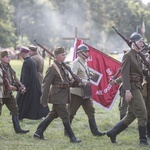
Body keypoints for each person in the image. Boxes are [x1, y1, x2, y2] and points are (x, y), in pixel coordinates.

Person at [106, 32, 149, 146]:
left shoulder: (138, 55)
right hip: (132, 88)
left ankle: (112, 132)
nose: (142, 43)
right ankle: (143, 140)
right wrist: (127, 91)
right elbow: (125, 74)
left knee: (131, 115)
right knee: (143, 113)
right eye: (140, 41)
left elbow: (137, 73)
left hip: (137, 86)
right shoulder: (128, 55)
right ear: (133, 43)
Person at [33, 47, 81, 143]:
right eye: (62, 55)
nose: (64, 56)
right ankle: (72, 137)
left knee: (52, 115)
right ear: (57, 56)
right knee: (65, 115)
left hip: (63, 95)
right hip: (57, 96)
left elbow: (65, 79)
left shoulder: (62, 66)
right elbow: (46, 84)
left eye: (64, 54)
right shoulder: (52, 68)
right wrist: (44, 98)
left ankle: (38, 132)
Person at [68, 44, 105, 137]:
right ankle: (67, 130)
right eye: (85, 52)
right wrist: (84, 81)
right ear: (79, 53)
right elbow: (71, 77)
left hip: (86, 92)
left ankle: (95, 131)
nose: (87, 53)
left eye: (87, 52)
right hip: (77, 92)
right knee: (71, 112)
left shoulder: (84, 62)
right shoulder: (76, 63)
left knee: (91, 111)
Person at [16, 46, 49, 120]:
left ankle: (18, 115)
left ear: (23, 53)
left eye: (21, 53)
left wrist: (23, 86)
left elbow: (25, 76)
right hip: (35, 82)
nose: (20, 55)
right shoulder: (32, 60)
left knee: (21, 100)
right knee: (36, 99)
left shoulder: (27, 61)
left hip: (29, 84)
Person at [0, 50, 29, 134]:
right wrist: (9, 86)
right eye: (6, 57)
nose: (9, 58)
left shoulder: (9, 67)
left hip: (8, 94)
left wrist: (20, 86)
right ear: (2, 58)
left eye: (9, 56)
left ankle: (18, 129)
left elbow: (14, 78)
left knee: (15, 109)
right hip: (1, 93)